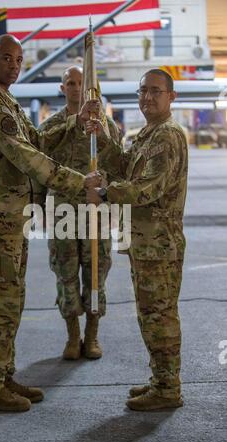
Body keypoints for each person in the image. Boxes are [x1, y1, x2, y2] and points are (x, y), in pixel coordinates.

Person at [0, 34, 101, 412]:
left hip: (10, 218)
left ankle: (3, 374)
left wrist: (76, 121)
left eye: (19, 59)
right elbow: (26, 156)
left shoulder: (7, 101)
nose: (14, 64)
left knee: (11, 301)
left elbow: (38, 138)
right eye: (6, 57)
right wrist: (78, 182)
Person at [86, 69, 188, 411]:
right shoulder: (149, 133)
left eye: (156, 91)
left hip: (159, 244)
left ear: (171, 97)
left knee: (159, 314)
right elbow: (128, 165)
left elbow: (148, 188)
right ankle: (160, 379)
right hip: (145, 242)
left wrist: (104, 192)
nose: (147, 97)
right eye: (143, 91)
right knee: (150, 314)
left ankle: (168, 388)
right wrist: (102, 135)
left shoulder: (168, 136)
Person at [39, 66, 121, 361]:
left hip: (95, 213)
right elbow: (39, 153)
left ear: (92, 88)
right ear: (62, 89)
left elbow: (118, 165)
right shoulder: (52, 126)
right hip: (63, 213)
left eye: (82, 83)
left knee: (97, 273)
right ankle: (73, 336)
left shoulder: (106, 125)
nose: (76, 88)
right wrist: (77, 121)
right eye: (70, 83)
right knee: (66, 273)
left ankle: (93, 334)